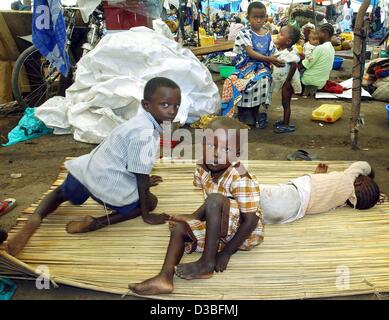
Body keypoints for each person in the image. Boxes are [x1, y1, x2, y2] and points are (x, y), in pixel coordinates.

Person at [6, 77, 181, 257]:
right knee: (151, 202)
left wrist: (143, 176)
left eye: (176, 106)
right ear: (146, 105)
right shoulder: (146, 134)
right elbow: (141, 179)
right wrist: (147, 215)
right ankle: (97, 222)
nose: (172, 111)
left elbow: (131, 162)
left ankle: (36, 218)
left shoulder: (136, 122)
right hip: (109, 184)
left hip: (85, 172)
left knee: (59, 194)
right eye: (165, 105)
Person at [129, 117, 264, 295]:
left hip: (245, 233)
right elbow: (209, 202)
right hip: (218, 229)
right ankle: (164, 278)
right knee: (179, 229)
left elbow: (251, 220)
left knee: (216, 198)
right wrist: (195, 217)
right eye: (210, 146)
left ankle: (207, 263)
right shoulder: (202, 166)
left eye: (225, 149)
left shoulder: (241, 176)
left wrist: (226, 253)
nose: (216, 154)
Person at [221, 1, 284, 127]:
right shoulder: (244, 33)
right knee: (237, 81)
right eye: (255, 17)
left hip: (262, 66)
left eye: (262, 17)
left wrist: (279, 60)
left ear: (266, 17)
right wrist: (270, 59)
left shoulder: (267, 34)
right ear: (248, 17)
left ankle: (254, 110)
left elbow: (273, 52)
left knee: (264, 79)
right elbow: (251, 53)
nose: (259, 20)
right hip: (245, 66)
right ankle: (244, 111)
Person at [261, 162, 381, 225]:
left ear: (359, 182)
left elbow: (363, 165)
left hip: (291, 196)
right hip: (292, 212)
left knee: (248, 188)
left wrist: (371, 175)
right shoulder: (341, 202)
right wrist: (318, 175)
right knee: (253, 210)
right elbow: (320, 193)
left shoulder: (347, 179)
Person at [272, 24, 302, 134]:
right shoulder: (282, 49)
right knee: (284, 102)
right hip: (284, 80)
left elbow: (294, 66)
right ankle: (284, 121)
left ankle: (286, 124)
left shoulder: (290, 53)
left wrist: (288, 82)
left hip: (288, 82)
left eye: (281, 34)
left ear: (288, 41)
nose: (278, 36)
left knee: (286, 102)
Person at [300, 23, 335, 97]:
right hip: (321, 83)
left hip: (309, 81)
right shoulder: (331, 48)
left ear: (325, 33)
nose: (317, 37)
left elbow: (305, 65)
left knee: (293, 68)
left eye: (319, 33)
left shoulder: (320, 48)